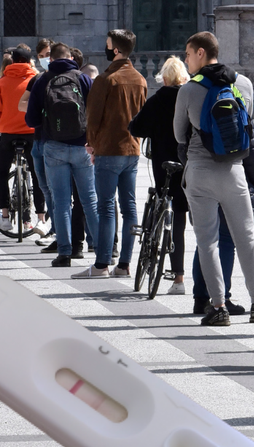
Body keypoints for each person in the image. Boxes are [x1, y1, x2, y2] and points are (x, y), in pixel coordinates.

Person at [173, 31, 254, 326]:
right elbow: (247, 130)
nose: (187, 59)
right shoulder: (242, 84)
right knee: (246, 239)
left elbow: (179, 134)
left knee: (207, 241)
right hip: (234, 171)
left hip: (200, 172)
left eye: (189, 54)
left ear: (202, 53)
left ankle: (218, 307)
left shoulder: (189, 89)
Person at [72, 29, 147, 279]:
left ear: (115, 49)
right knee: (130, 207)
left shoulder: (105, 79)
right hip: (132, 149)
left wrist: (91, 145)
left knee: (105, 207)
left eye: (107, 45)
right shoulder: (140, 79)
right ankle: (124, 265)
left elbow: (92, 117)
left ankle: (102, 264)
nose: (105, 48)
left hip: (108, 149)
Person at [26, 42, 100, 267]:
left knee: (60, 202)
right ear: (70, 57)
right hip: (82, 147)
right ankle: (101, 249)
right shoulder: (83, 78)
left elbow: (31, 119)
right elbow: (94, 112)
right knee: (90, 200)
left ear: (51, 59)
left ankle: (65, 253)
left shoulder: (42, 80)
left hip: (53, 146)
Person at [129, 56, 189, 292]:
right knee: (180, 221)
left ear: (164, 78)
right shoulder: (188, 98)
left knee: (162, 198)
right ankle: (179, 278)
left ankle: (151, 239)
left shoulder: (157, 99)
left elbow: (136, 127)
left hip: (162, 163)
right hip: (185, 164)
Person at [0, 47, 38, 231]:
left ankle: (5, 215)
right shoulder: (36, 79)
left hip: (8, 133)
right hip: (32, 132)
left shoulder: (1, 82)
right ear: (29, 61)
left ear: (13, 60)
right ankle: (40, 216)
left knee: (1, 173)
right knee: (37, 172)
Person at [19, 38, 56, 239]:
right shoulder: (38, 79)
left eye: (48, 55)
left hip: (53, 140)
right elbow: (22, 104)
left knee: (56, 189)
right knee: (46, 187)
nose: (44, 60)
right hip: (42, 138)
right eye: (41, 56)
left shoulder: (43, 79)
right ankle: (54, 227)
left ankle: (60, 231)